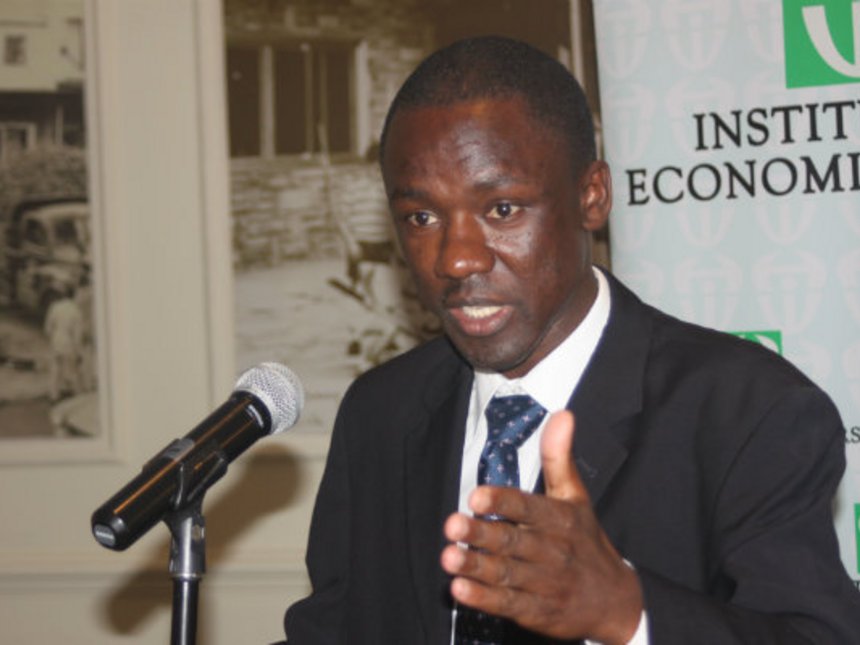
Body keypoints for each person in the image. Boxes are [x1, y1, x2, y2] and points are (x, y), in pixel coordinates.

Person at [282, 37, 860, 644]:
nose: (456, 259)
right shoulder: (381, 412)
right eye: (422, 218)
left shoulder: (748, 412)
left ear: (591, 197)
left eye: (502, 210)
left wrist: (628, 614)